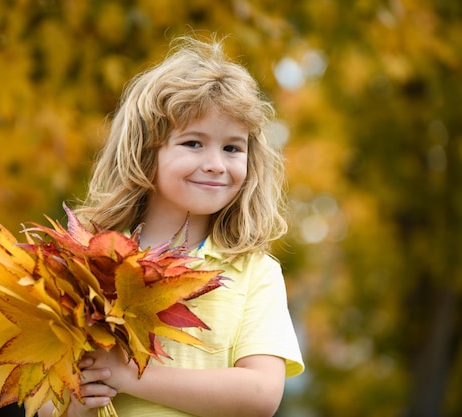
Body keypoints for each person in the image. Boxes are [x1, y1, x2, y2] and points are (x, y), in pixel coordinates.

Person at [39, 35, 304, 417]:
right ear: (146, 152)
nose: (216, 163)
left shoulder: (254, 272)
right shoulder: (88, 265)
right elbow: (45, 405)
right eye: (194, 143)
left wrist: (129, 376)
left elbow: (260, 393)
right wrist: (80, 398)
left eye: (232, 148)